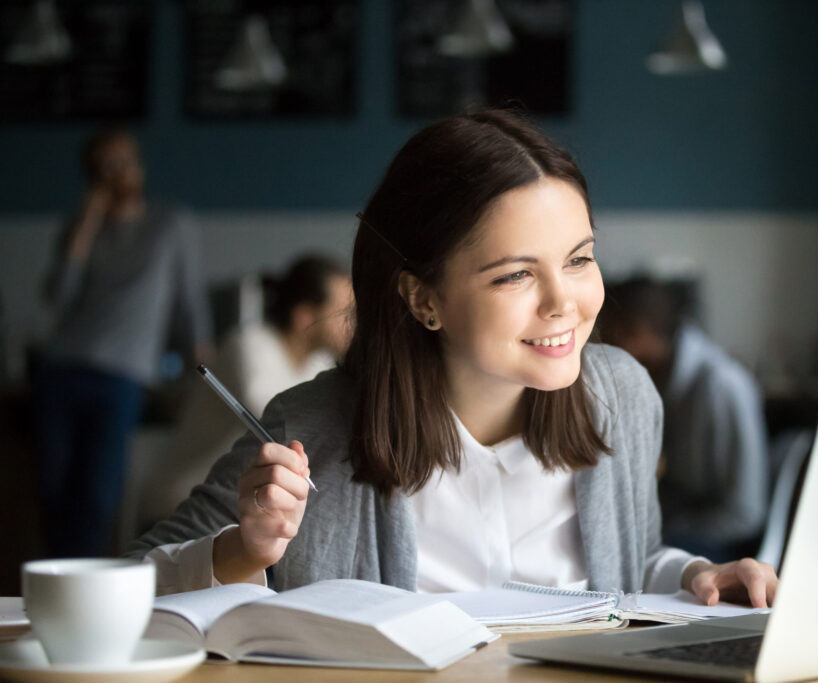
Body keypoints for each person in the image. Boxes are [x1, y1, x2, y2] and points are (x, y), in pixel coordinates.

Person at [127, 109, 777, 607]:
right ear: (424, 298)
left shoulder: (622, 396)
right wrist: (243, 550)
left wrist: (694, 574)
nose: (565, 303)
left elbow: (624, 565)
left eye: (579, 258)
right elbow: (130, 585)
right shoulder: (313, 427)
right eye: (516, 274)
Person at [34, 126, 212, 558]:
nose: (120, 173)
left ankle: (86, 588)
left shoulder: (170, 224)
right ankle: (49, 584)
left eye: (126, 161)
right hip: (62, 369)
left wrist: (204, 368)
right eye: (107, 166)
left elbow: (190, 301)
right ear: (93, 174)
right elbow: (56, 296)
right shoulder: (81, 228)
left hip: (122, 377)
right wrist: (88, 220)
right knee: (52, 489)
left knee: (98, 494)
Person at [145, 254, 354, 522]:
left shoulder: (317, 363)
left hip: (243, 512)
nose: (352, 324)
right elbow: (280, 422)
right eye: (342, 312)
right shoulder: (249, 346)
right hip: (189, 506)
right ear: (303, 316)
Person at [600, 277, 769, 562]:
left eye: (612, 334)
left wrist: (663, 532)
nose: (607, 345)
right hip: (684, 525)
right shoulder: (660, 380)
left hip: (726, 545)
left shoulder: (722, 386)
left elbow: (744, 514)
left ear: (637, 330)